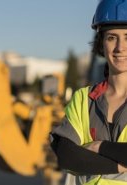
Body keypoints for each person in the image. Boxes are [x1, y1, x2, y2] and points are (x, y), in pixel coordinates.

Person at [50, 0, 127, 184]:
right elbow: (67, 156)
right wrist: (119, 165)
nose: (120, 47)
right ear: (101, 43)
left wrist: (100, 147)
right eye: (111, 37)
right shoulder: (84, 99)